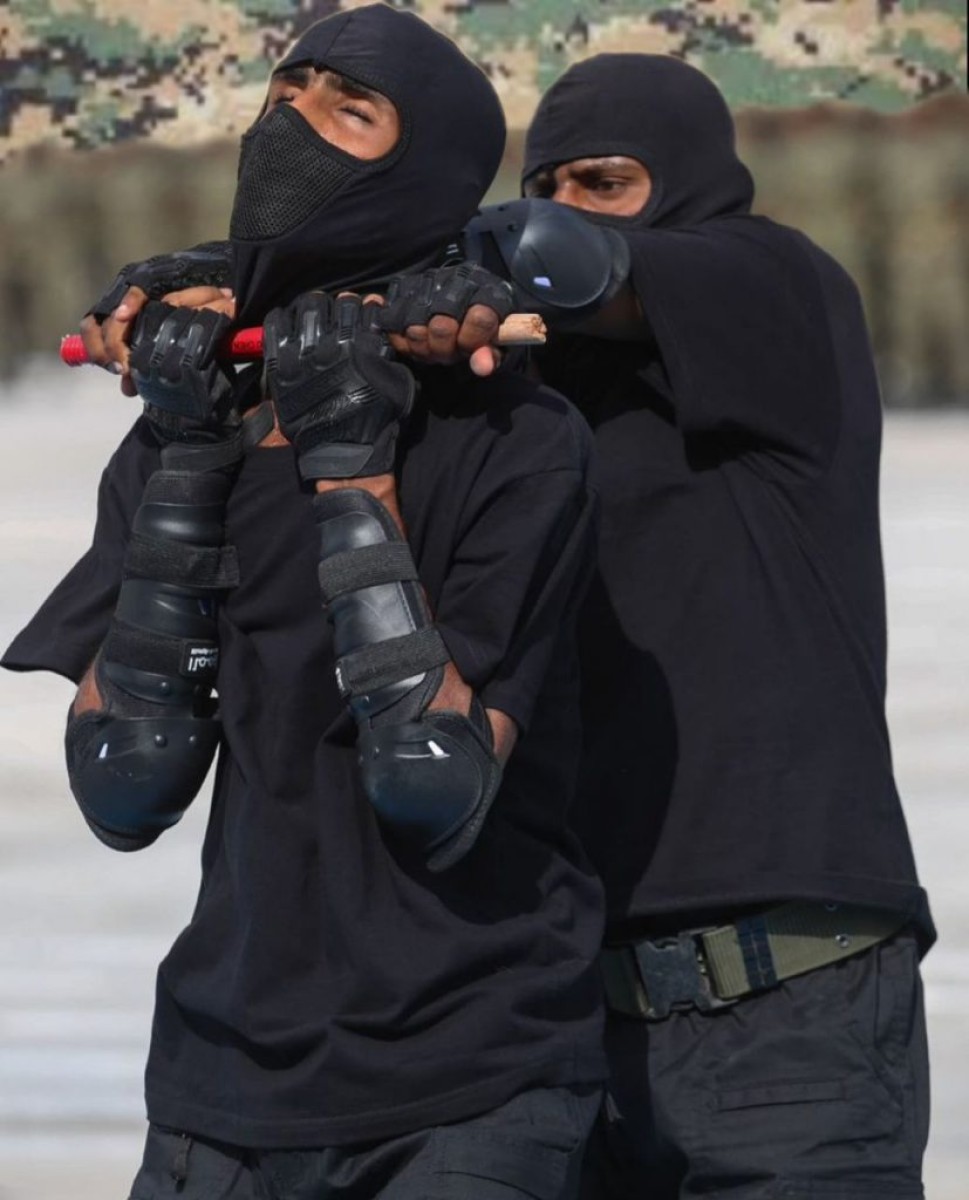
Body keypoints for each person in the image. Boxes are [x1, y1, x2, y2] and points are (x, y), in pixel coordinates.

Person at [72, 48, 935, 1198]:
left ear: (686, 185)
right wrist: (237, 285)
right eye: (548, 183)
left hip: (781, 1007)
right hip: (555, 1015)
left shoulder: (772, 293)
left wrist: (398, 265)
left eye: (605, 183)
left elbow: (572, 267)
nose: (566, 208)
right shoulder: (493, 400)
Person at [2, 8, 607, 1197]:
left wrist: (352, 470)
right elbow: (124, 785)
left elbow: (433, 780)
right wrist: (184, 467)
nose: (295, 126)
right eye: (290, 92)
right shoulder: (190, 420)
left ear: (423, 167)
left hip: (466, 1087)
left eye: (349, 111)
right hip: (219, 1084)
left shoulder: (518, 438)